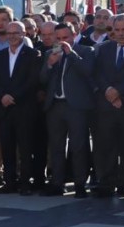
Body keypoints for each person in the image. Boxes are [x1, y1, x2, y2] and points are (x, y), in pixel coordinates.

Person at [41, 21, 96, 197]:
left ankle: (80, 184)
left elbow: (87, 72)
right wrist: (49, 64)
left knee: (78, 146)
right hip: (55, 105)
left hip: (76, 106)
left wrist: (70, 54)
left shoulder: (86, 51)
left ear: (74, 35)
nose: (61, 41)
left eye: (65, 37)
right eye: (58, 38)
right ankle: (57, 183)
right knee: (56, 146)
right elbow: (42, 80)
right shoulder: (50, 53)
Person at [90, 14, 124, 200]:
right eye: (117, 30)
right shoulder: (105, 49)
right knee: (106, 147)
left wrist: (119, 91)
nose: (120, 34)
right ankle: (106, 184)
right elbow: (98, 73)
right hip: (106, 107)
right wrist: (108, 91)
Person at [0, 21, 41, 195]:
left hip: (24, 108)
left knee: (25, 148)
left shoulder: (33, 54)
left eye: (16, 33)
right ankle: (9, 182)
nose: (11, 36)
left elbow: (32, 80)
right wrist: (2, 96)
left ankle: (25, 183)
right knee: (7, 147)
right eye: (9, 33)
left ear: (23, 34)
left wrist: (13, 96)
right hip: (4, 109)